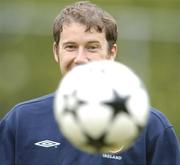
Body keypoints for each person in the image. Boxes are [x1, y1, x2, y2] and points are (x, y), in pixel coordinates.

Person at [0, 1, 179, 165]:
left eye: (92, 47)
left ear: (111, 53)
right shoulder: (21, 121)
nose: (80, 59)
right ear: (56, 52)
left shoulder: (151, 127)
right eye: (70, 47)